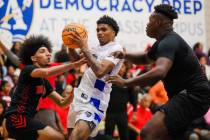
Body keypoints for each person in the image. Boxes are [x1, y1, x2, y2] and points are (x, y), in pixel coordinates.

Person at [106, 4, 210, 140]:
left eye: (150, 21)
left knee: (147, 133)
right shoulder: (162, 42)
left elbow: (160, 71)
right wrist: (125, 54)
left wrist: (126, 82)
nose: (147, 24)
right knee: (165, 136)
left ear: (159, 22)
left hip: (193, 96)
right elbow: (144, 58)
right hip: (191, 97)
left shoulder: (169, 42)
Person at [3, 35, 86, 140]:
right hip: (17, 118)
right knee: (59, 138)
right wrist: (75, 64)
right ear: (33, 58)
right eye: (42, 51)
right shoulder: (28, 69)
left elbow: (62, 103)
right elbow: (47, 72)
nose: (48, 54)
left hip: (25, 120)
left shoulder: (44, 82)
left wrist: (75, 91)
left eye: (48, 52)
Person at [67, 15, 124, 140]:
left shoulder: (116, 49)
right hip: (80, 96)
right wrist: (70, 44)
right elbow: (76, 61)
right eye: (98, 30)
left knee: (75, 137)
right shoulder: (95, 48)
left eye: (104, 29)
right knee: (71, 136)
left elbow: (100, 72)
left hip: (95, 101)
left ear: (114, 32)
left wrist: (84, 48)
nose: (99, 32)